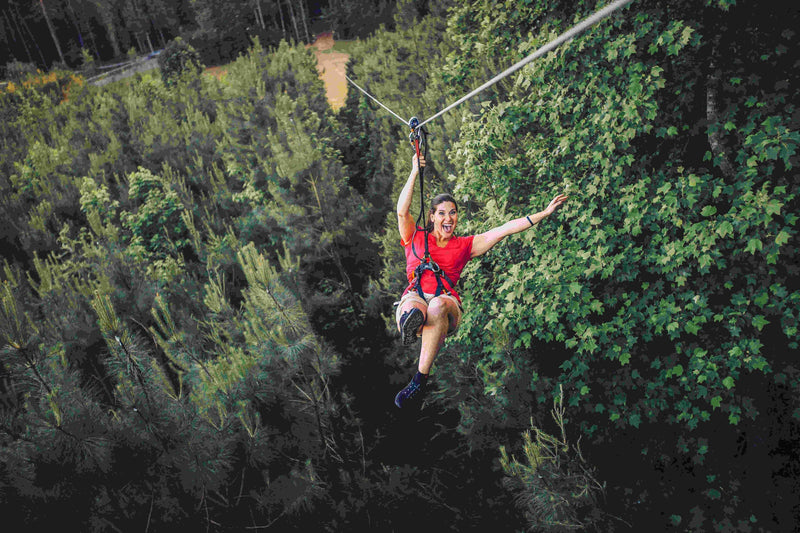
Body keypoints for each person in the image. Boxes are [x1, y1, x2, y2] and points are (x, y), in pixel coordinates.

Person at [393, 153, 568, 408]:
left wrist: (544, 212)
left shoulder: (466, 245)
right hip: (415, 296)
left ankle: (419, 381)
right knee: (413, 310)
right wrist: (413, 172)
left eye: (453, 213)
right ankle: (413, 324)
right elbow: (401, 211)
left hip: (445, 303)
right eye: (442, 213)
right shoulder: (415, 237)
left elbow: (505, 228)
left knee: (436, 307)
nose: (449, 218)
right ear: (431, 216)